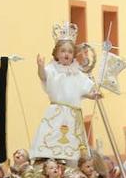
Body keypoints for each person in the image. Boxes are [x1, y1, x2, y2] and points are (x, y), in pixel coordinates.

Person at [30, 24, 100, 162]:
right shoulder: (52, 70)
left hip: (73, 115)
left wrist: (95, 94)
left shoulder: (78, 74)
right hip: (56, 113)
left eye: (69, 51)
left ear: (73, 54)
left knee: (73, 150)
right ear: (56, 53)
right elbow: (43, 76)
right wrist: (40, 66)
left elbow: (88, 91)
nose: (66, 54)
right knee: (52, 142)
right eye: (62, 51)